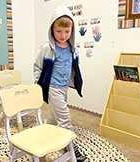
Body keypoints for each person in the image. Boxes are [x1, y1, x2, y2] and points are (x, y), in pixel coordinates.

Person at [33, 5, 86, 162]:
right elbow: (37, 67)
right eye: (59, 31)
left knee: (54, 115)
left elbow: (74, 67)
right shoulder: (48, 48)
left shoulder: (72, 49)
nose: (63, 35)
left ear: (72, 31)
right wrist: (38, 84)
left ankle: (45, 135)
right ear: (52, 30)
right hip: (52, 87)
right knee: (64, 116)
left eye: (67, 31)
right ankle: (70, 147)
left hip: (63, 87)